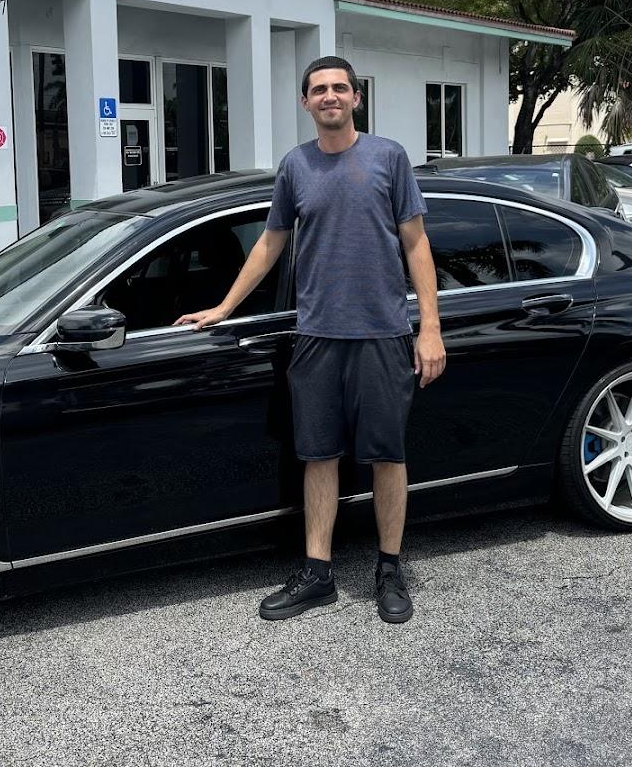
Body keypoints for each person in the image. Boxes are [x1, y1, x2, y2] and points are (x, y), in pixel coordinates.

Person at [175, 56, 446, 623]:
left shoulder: (389, 158)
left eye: (340, 88)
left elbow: (416, 244)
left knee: (387, 456)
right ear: (305, 102)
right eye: (319, 89)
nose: (330, 96)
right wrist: (224, 307)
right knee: (318, 456)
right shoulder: (295, 166)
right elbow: (269, 243)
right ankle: (317, 574)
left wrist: (429, 327)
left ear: (356, 98)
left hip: (382, 334)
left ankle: (389, 570)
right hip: (317, 336)